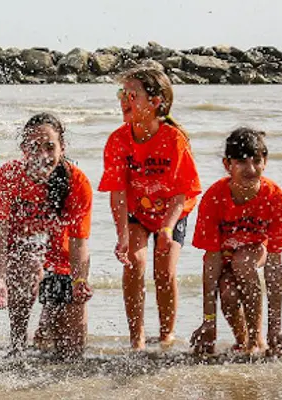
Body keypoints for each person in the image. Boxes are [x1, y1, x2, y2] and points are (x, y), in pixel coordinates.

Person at [97, 67, 201, 350]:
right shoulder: (118, 140)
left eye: (132, 94)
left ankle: (166, 335)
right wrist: (121, 236)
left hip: (172, 211)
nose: (123, 100)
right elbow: (117, 193)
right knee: (134, 262)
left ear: (155, 103)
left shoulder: (174, 139)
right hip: (137, 211)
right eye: (121, 94)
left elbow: (182, 193)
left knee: (164, 271)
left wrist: (167, 228)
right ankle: (137, 339)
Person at [0, 113, 92, 357]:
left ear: (62, 147)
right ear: (23, 148)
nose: (43, 155)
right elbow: (0, 234)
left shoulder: (76, 181)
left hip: (62, 264)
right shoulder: (10, 176)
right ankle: (17, 345)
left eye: (50, 147)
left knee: (72, 352)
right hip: (20, 259)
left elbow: (79, 242)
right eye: (34, 147)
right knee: (29, 262)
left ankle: (47, 320)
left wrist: (79, 281)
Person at [189, 128, 282, 357]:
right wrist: (208, 321)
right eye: (242, 162)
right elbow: (211, 261)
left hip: (253, 253)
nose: (251, 169)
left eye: (257, 161)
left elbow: (274, 265)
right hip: (223, 259)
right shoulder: (213, 198)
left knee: (243, 261)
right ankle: (243, 340)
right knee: (227, 294)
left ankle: (258, 340)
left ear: (265, 162)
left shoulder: (276, 199)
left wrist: (276, 327)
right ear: (228, 165)